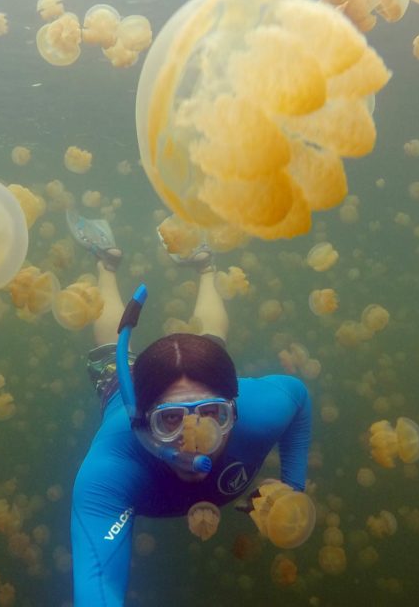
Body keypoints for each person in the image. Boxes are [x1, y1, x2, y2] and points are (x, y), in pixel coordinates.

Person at [68, 212, 313, 607]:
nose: (196, 438)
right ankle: (107, 265)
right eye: (170, 420)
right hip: (125, 387)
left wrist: (293, 486)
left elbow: (299, 396)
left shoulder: (260, 410)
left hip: (204, 379)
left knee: (209, 342)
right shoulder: (107, 474)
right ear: (142, 420)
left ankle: (206, 266)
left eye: (213, 415)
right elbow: (97, 590)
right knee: (111, 356)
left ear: (233, 407)